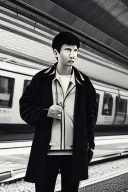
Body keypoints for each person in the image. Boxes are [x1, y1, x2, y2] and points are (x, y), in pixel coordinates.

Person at [19, 32, 98, 192]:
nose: (73, 55)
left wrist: (89, 145)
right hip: (46, 153)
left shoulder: (84, 83)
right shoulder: (41, 79)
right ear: (56, 52)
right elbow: (24, 107)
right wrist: (45, 113)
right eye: (68, 50)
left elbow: (91, 117)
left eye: (75, 50)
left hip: (74, 154)